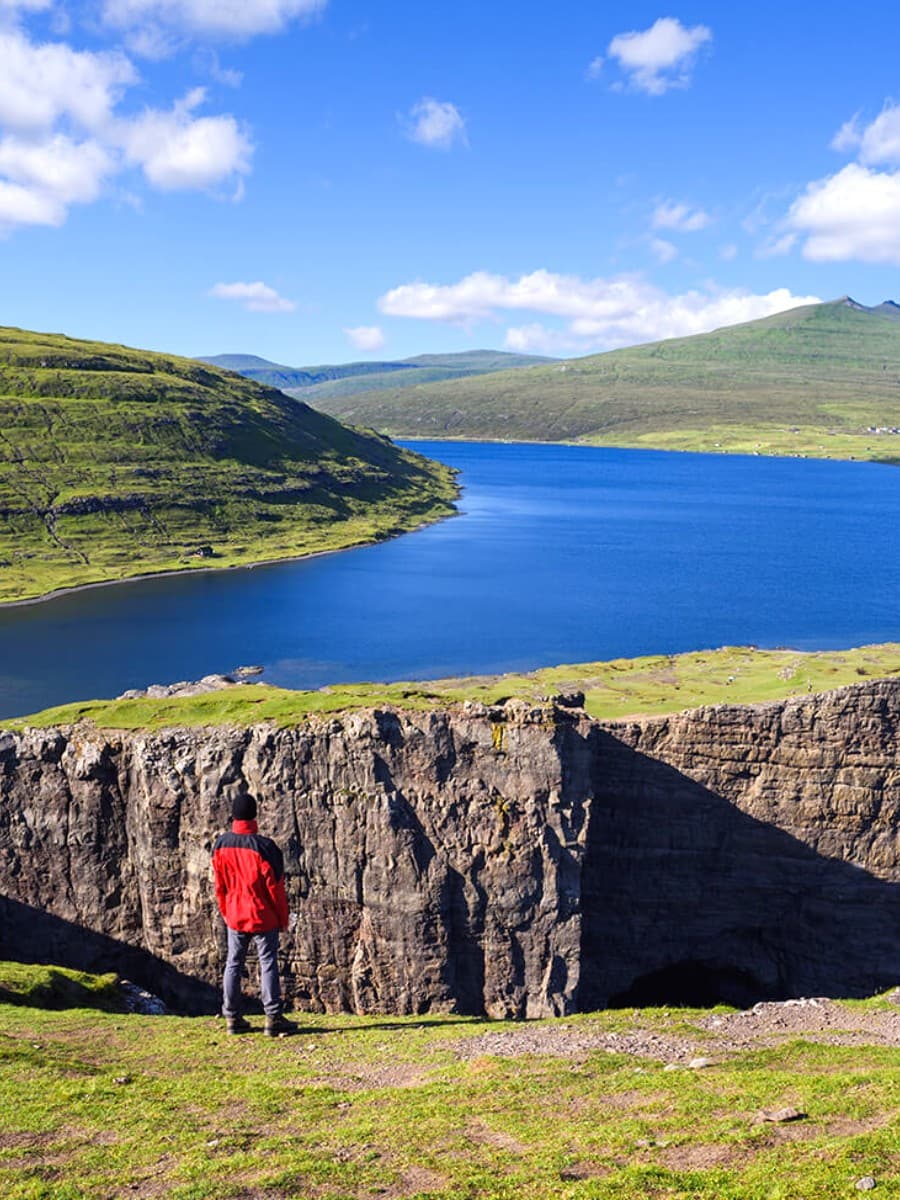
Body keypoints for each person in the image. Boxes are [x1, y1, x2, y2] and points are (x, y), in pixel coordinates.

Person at [212, 795, 297, 1036]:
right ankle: (273, 1017)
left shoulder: (221, 845)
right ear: (254, 815)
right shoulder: (265, 848)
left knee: (233, 963)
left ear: (233, 815)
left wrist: (225, 911)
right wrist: (282, 918)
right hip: (263, 915)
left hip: (234, 914)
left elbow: (220, 885)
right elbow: (276, 890)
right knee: (267, 962)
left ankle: (232, 1017)